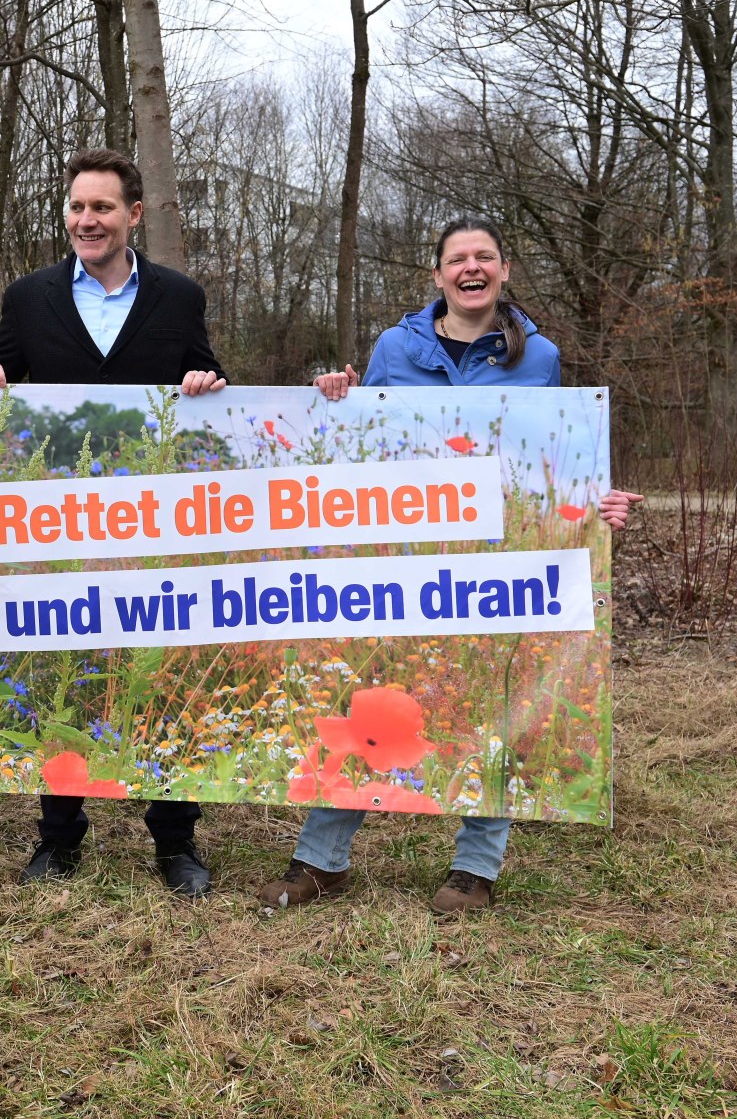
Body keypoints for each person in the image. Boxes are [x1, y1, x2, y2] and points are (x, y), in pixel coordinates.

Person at [257, 213, 642, 917]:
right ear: (436, 276)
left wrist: (599, 503)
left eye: (485, 257)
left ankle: (474, 868)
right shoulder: (394, 348)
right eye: (458, 258)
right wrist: (335, 397)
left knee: (497, 699)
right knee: (371, 695)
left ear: (503, 272)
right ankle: (322, 860)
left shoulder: (541, 357)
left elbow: (555, 462)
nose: (472, 267)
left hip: (496, 563)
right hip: (402, 558)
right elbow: (359, 447)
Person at [0, 147, 227, 898]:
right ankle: (58, 835)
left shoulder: (179, 297)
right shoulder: (29, 294)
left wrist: (210, 382)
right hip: (59, 527)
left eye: (103, 207)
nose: (87, 220)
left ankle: (175, 840)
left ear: (133, 215)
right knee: (65, 679)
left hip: (155, 526)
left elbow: (207, 386)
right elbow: (3, 371)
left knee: (159, 676)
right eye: (78, 207)